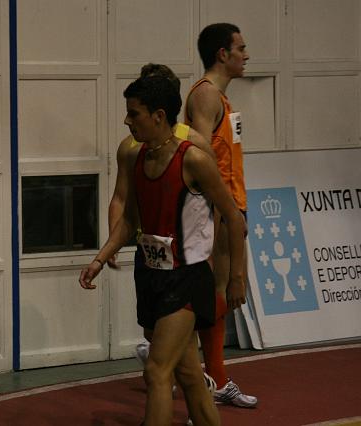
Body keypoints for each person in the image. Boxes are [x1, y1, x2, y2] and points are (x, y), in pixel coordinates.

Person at [80, 75, 246, 426]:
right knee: (189, 378)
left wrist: (236, 278)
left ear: (158, 115)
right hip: (151, 276)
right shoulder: (133, 156)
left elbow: (233, 218)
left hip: (187, 280)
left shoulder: (194, 159)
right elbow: (128, 219)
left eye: (133, 114)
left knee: (156, 372)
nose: (127, 121)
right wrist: (100, 256)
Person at [106, 64, 215, 391]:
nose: (130, 119)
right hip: (148, 255)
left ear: (161, 109)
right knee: (153, 336)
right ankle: (182, 384)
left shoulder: (193, 147)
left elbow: (216, 207)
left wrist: (213, 260)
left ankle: (187, 387)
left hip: (184, 263)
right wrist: (113, 243)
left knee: (172, 352)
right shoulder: (130, 148)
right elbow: (120, 199)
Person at [184, 23, 257, 408]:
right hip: (218, 208)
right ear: (221, 54)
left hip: (231, 205)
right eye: (240, 48)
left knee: (224, 295)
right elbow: (199, 154)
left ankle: (211, 375)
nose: (247, 55)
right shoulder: (206, 97)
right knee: (218, 293)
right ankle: (168, 350)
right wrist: (217, 209)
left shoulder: (222, 100)